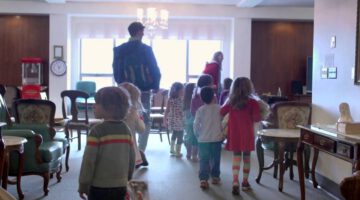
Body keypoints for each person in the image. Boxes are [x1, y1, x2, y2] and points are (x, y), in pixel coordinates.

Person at [113, 21, 161, 158]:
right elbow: (154, 68)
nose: (143, 33)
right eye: (142, 31)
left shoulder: (119, 49)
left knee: (125, 117)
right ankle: (141, 151)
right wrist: (156, 85)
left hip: (125, 90)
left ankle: (128, 148)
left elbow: (116, 71)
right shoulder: (146, 49)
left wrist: (122, 85)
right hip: (144, 90)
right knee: (144, 120)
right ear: (139, 32)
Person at [78, 86, 135, 200]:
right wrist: (127, 177)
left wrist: (83, 185)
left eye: (97, 103)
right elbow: (131, 158)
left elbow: (89, 161)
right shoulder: (126, 130)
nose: (94, 106)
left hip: (99, 187)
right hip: (121, 185)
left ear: (109, 107)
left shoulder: (96, 131)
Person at [220, 77, 261, 195]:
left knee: (236, 156)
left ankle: (235, 182)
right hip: (247, 134)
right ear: (249, 88)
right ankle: (245, 182)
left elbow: (221, 112)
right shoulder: (253, 102)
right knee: (247, 157)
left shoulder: (231, 101)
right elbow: (257, 118)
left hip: (234, 133)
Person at [193, 86, 224, 190]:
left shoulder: (200, 110)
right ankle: (215, 177)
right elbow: (223, 123)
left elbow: (196, 125)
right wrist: (223, 134)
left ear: (201, 98)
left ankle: (203, 180)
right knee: (216, 159)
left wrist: (198, 135)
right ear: (213, 97)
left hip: (203, 140)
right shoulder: (219, 108)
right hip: (217, 139)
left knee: (203, 159)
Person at [119, 82, 149, 168]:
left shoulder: (111, 113)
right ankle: (140, 155)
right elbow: (141, 129)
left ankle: (140, 155)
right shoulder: (133, 113)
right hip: (130, 153)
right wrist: (140, 119)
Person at [163, 82, 185, 157]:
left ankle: (172, 149)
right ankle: (178, 151)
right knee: (180, 136)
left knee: (174, 134)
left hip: (172, 120)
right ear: (179, 91)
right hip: (179, 121)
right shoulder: (181, 100)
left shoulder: (170, 99)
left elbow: (166, 111)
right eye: (183, 89)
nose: (184, 91)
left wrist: (165, 120)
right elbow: (181, 111)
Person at [183, 82, 198, 161]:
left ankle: (188, 153)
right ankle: (194, 155)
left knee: (187, 138)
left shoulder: (185, 99)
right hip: (195, 121)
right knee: (195, 139)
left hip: (186, 121)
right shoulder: (195, 98)